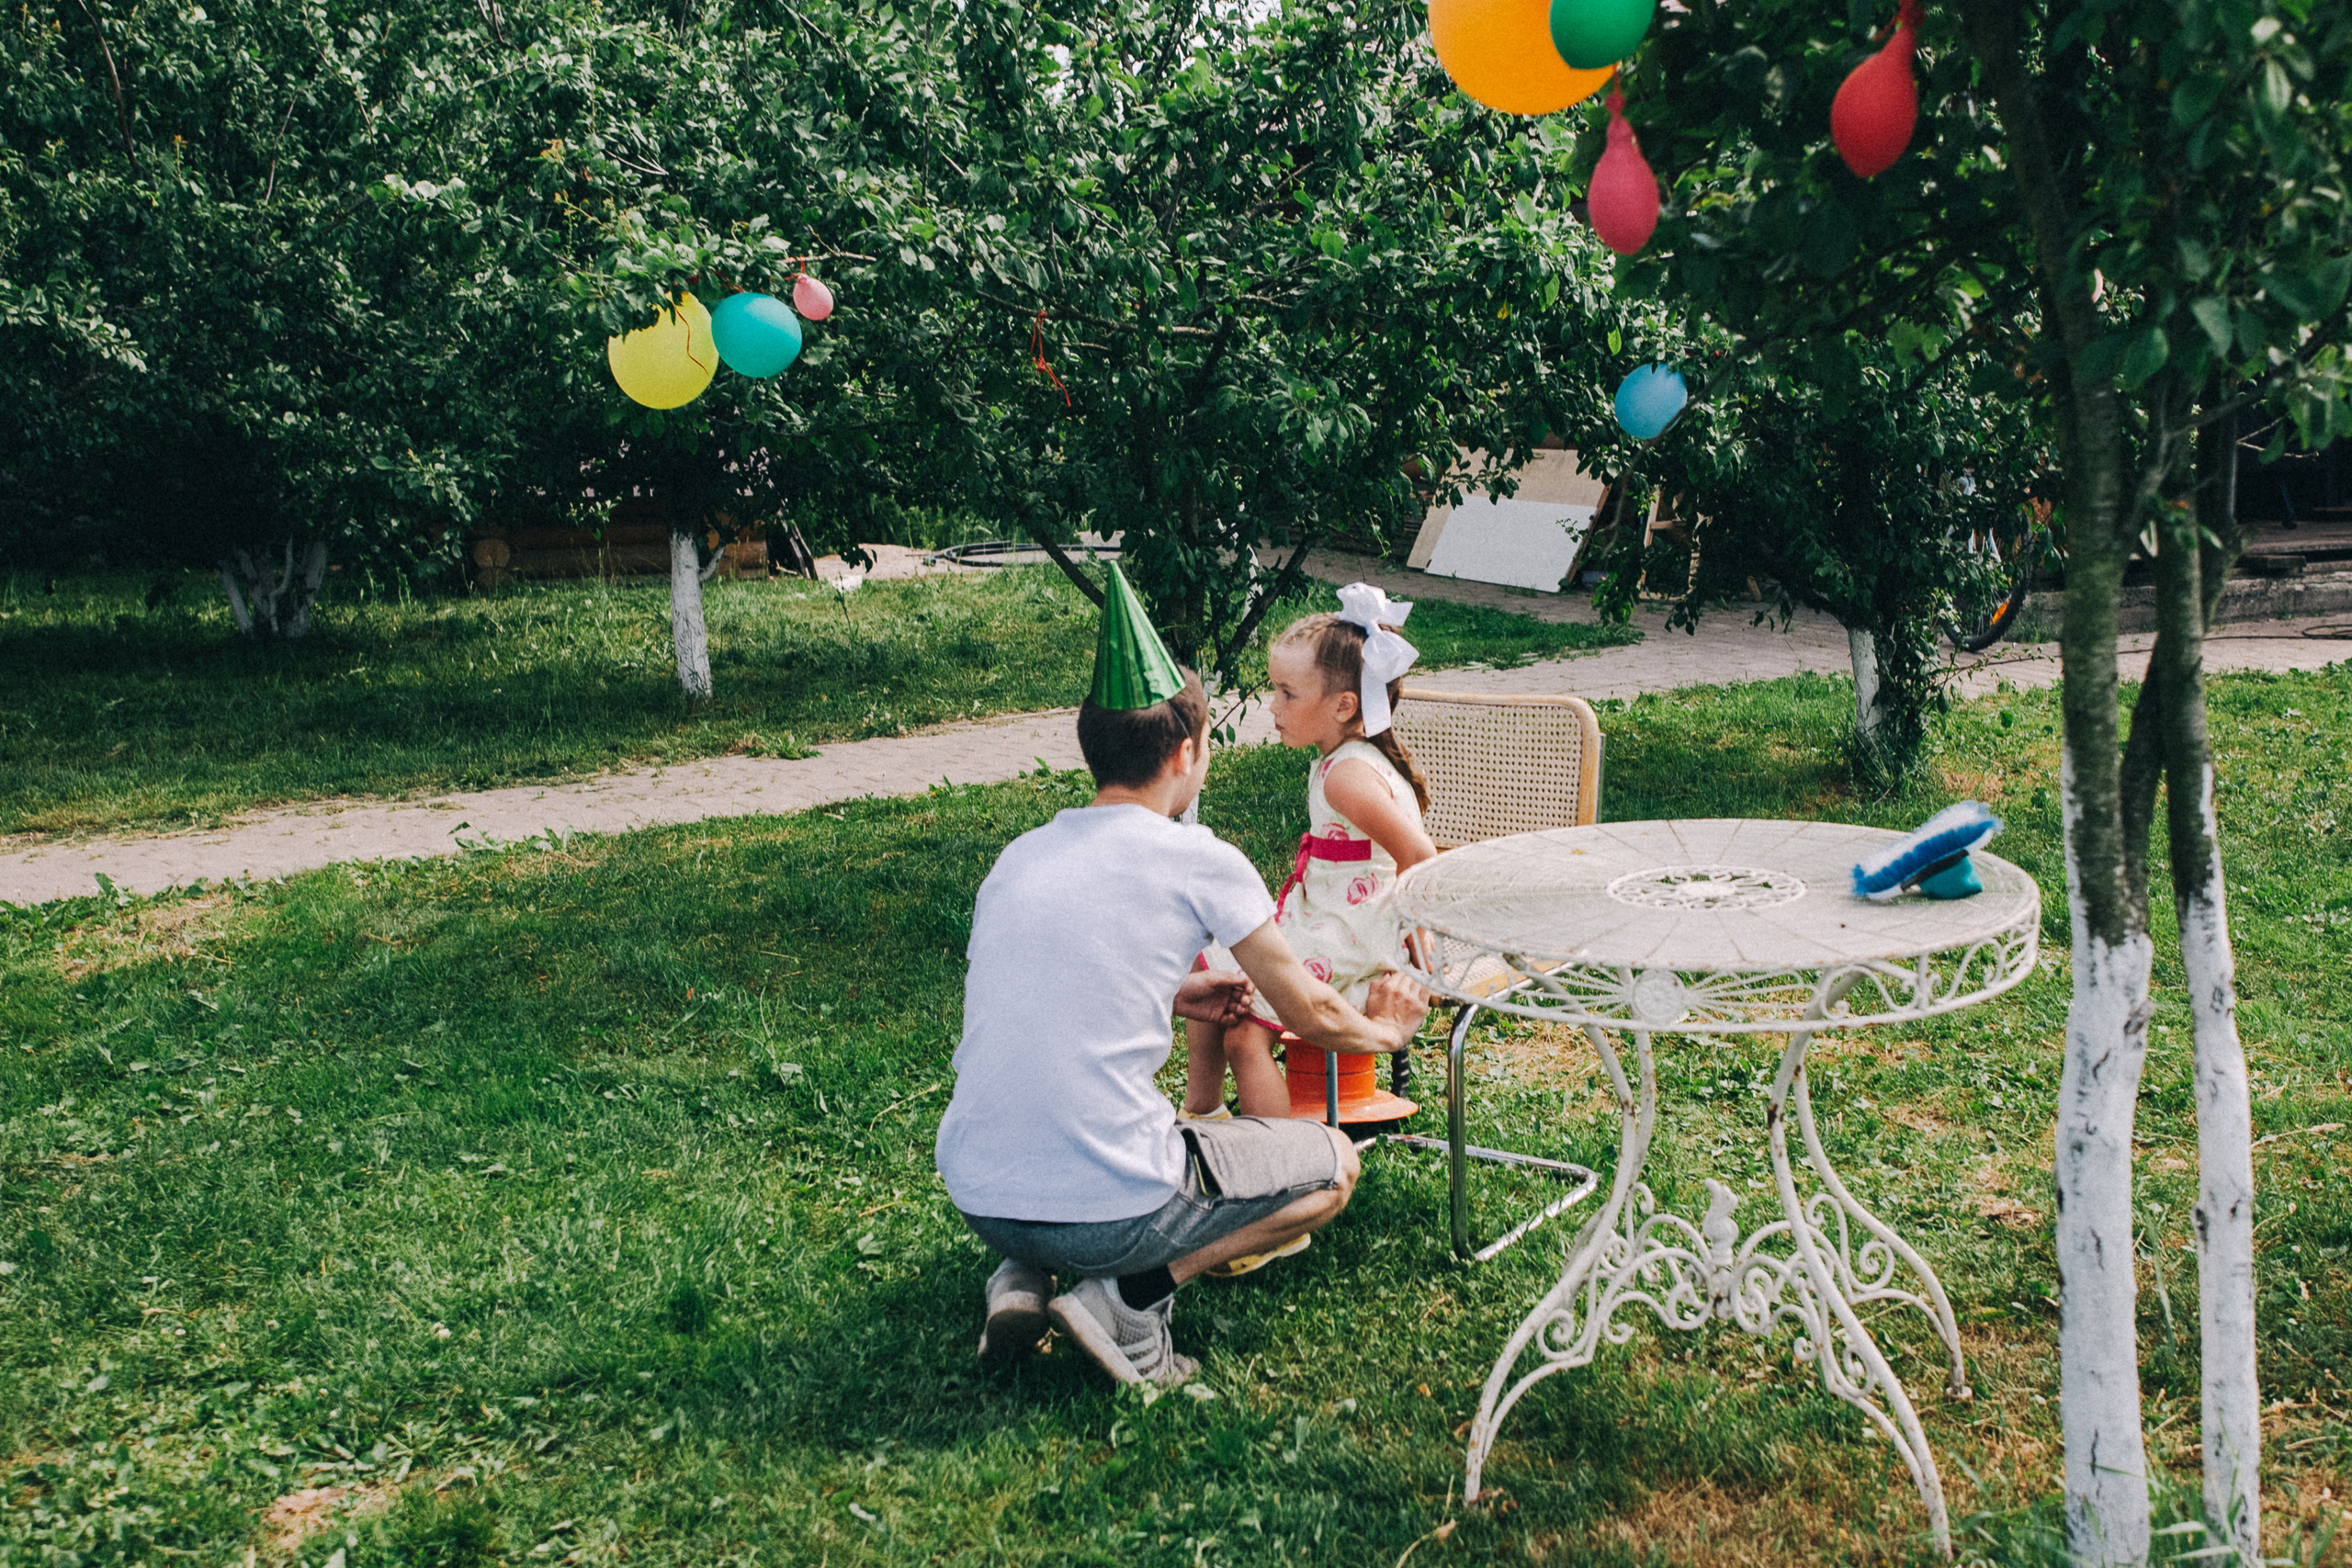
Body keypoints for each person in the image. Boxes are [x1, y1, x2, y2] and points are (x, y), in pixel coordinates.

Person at [934, 564, 1430, 1387]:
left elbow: (1037, 988)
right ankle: (1129, 1300)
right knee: (1335, 1167)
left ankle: (1018, 1275)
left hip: (978, 1189)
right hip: (1111, 1208)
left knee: (1080, 1136)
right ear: (1188, 751)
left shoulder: (1015, 859)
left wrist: (1170, 994)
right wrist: (1385, 1029)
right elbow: (1305, 1008)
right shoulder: (1199, 859)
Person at [1183, 584, 1438, 1136]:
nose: (1273, 707)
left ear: (1344, 706)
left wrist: (1421, 948)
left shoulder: (1348, 775)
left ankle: (1283, 1165)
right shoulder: (1345, 760)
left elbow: (1418, 856)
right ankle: (1201, 1110)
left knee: (1245, 1030)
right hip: (1327, 914)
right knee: (1217, 965)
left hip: (1356, 930)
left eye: (1287, 694)